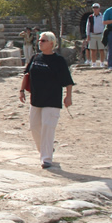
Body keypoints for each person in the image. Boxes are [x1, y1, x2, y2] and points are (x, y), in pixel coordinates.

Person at [19, 31, 74, 169]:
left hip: (52, 99)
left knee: (48, 127)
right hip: (36, 99)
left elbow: (67, 80)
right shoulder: (35, 57)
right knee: (34, 127)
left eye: (43, 41)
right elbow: (26, 74)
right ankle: (45, 150)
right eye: (39, 40)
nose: (40, 43)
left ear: (51, 43)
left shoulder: (59, 60)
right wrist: (21, 90)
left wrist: (68, 96)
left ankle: (46, 158)